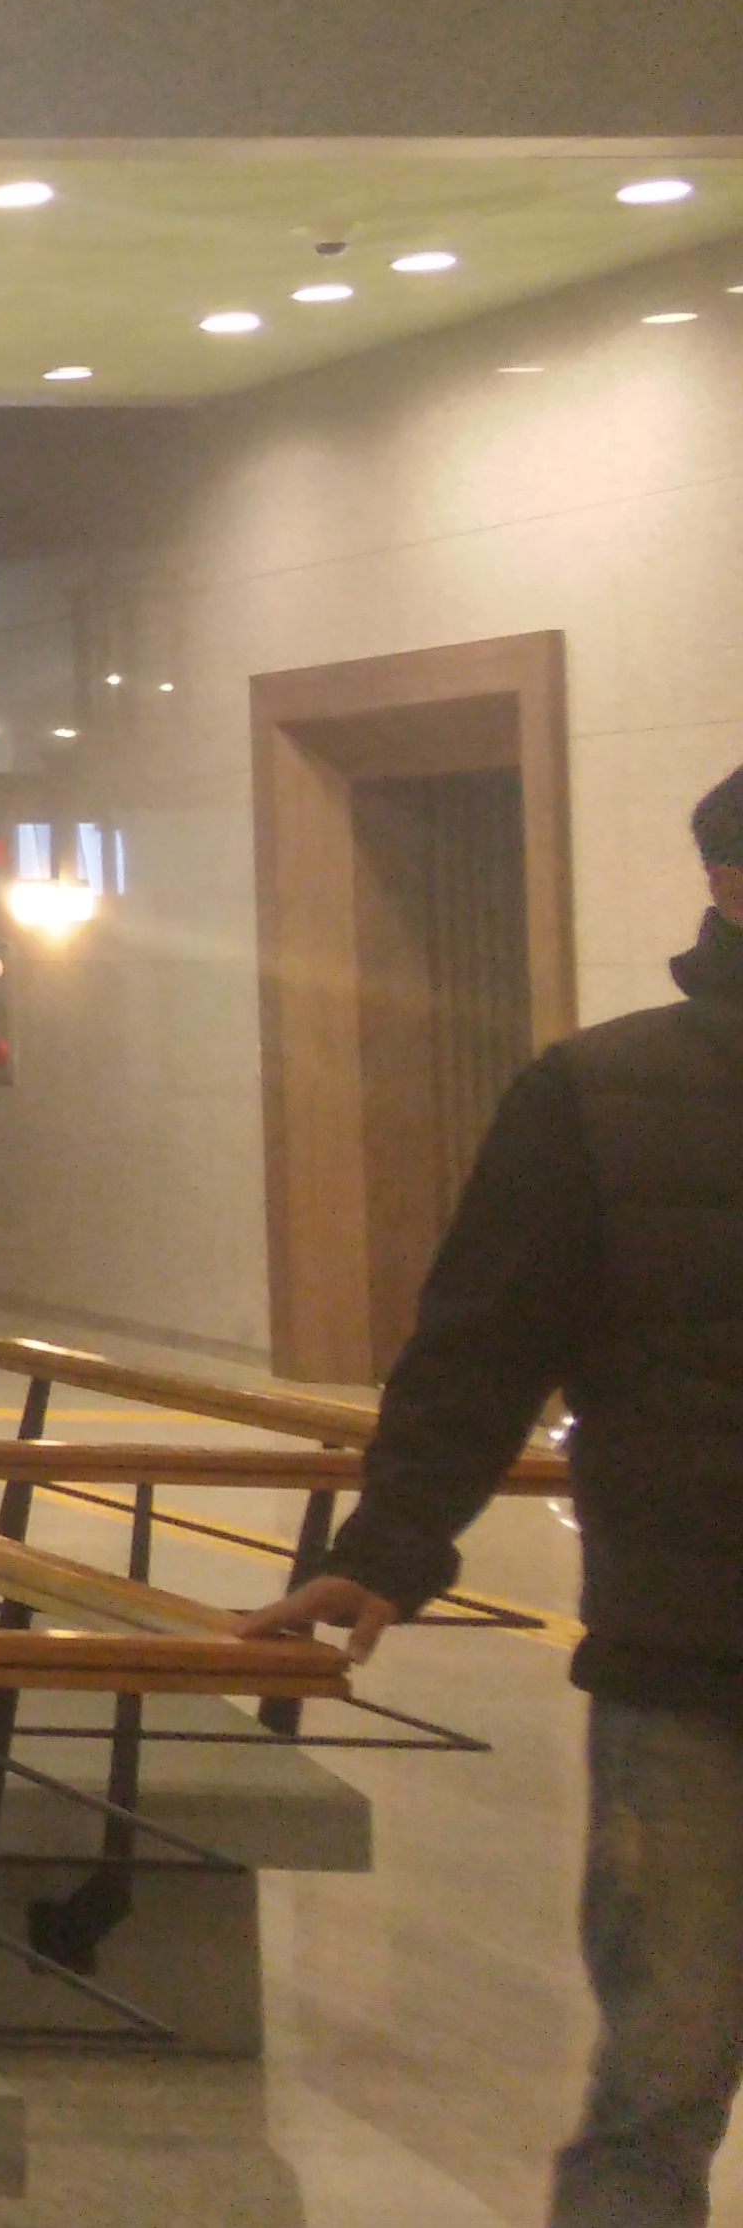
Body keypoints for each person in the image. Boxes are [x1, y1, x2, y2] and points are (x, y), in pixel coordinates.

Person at [243, 764, 743, 2228]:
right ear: (727, 885)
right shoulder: (597, 1096)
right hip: (691, 1653)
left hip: (679, 1642)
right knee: (665, 2062)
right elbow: (482, 1345)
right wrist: (390, 1543)